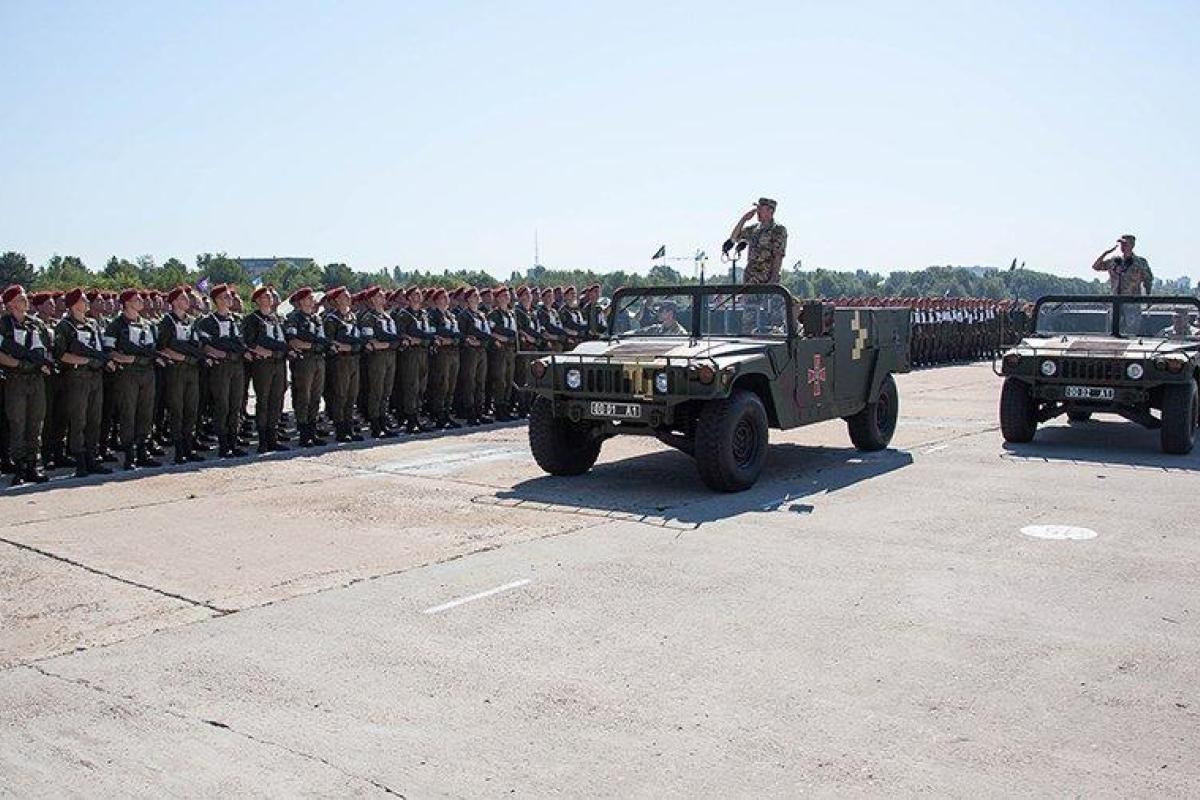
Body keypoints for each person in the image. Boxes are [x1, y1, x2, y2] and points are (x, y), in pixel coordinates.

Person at [53, 287, 115, 477]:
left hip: (96, 377)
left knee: (94, 419)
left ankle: (91, 457)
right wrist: (85, 361)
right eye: (82, 300)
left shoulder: (92, 324)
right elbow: (61, 355)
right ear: (73, 305)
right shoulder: (65, 326)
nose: (86, 302)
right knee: (78, 420)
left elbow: (100, 348)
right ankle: (80, 460)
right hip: (77, 377)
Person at [0, 284, 53, 484]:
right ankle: (19, 468)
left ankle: (32, 465)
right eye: (21, 298)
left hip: (36, 379)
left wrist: (43, 364)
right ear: (10, 304)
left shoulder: (36, 324)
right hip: (16, 380)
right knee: (18, 424)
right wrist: (19, 364)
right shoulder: (3, 325)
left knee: (35, 423)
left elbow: (47, 349)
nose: (25, 300)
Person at [105, 288, 162, 470]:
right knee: (128, 413)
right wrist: (126, 359)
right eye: (137, 299)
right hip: (128, 373)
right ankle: (129, 455)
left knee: (146, 412)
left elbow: (154, 348)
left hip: (147, 372)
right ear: (127, 303)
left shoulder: (147, 325)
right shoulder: (116, 325)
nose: (141, 302)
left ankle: (143, 451)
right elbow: (109, 351)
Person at [196, 284, 249, 458]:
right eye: (226, 297)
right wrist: (225, 347)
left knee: (235, 405)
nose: (230, 299)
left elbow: (241, 343)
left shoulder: (236, 320)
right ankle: (223, 444)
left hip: (237, 365)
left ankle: (233, 442)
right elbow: (207, 346)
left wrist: (225, 345)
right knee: (222, 405)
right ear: (217, 300)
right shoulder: (207, 322)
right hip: (221, 368)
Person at [156, 285, 206, 464]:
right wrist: (182, 353)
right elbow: (164, 347)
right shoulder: (167, 321)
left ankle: (188, 447)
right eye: (184, 298)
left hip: (192, 370)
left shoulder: (191, 321)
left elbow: (196, 345)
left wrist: (183, 349)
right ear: (175, 302)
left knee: (191, 410)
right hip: (175, 371)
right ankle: (179, 450)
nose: (188, 301)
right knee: (177, 410)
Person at [243, 286, 290, 453]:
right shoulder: (252, 319)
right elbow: (250, 342)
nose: (270, 299)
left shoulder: (278, 318)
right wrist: (265, 351)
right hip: (263, 365)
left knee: (277, 401)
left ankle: (273, 437)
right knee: (263, 400)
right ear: (257, 300)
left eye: (270, 296)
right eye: (265, 296)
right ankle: (263, 440)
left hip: (279, 362)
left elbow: (286, 340)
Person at [283, 287, 328, 447]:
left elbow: (323, 340)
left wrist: (310, 344)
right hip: (304, 362)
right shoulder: (294, 318)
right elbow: (293, 341)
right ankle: (303, 433)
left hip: (318, 360)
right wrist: (312, 345)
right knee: (304, 397)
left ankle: (312, 430)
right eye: (309, 298)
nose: (312, 301)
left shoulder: (317, 319)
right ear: (301, 301)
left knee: (316, 397)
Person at [322, 286, 367, 442]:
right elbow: (330, 342)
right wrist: (344, 346)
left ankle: (349, 427)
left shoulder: (353, 317)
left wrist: (350, 347)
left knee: (351, 396)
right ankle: (340, 429)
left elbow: (361, 339)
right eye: (344, 296)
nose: (348, 298)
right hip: (339, 361)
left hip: (354, 359)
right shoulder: (331, 319)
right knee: (340, 396)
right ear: (336, 300)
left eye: (348, 296)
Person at [358, 285, 401, 439]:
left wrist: (386, 343)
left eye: (383, 296)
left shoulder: (388, 317)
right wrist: (388, 344)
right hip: (377, 358)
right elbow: (370, 342)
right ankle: (375, 425)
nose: (382, 298)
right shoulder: (369, 318)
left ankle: (383, 421)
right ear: (372, 300)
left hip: (390, 357)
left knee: (386, 392)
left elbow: (395, 339)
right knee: (376, 391)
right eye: (378, 296)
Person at [393, 286, 435, 433]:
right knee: (411, 387)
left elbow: (429, 333)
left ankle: (417, 416)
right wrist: (413, 339)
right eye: (415, 294)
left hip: (423, 352)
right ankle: (411, 420)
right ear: (409, 297)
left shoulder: (424, 314)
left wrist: (420, 339)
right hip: (410, 355)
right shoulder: (404, 315)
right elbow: (401, 334)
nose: (418, 296)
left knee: (421, 387)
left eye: (419, 294)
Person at [728, 197, 788, 284]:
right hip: (750, 280)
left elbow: (778, 256)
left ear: (770, 211)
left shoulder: (778, 230)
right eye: (757, 209)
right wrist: (743, 219)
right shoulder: (754, 229)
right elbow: (734, 238)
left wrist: (773, 281)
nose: (757, 212)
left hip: (765, 280)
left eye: (760, 209)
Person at [487, 286, 519, 421]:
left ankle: (506, 407)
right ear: (498, 298)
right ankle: (499, 408)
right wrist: (503, 336)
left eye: (507, 295)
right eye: (503, 295)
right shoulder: (494, 314)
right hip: (500, 351)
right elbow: (492, 330)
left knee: (509, 379)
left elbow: (515, 332)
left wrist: (510, 337)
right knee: (500, 380)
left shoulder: (511, 314)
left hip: (510, 350)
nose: (507, 297)